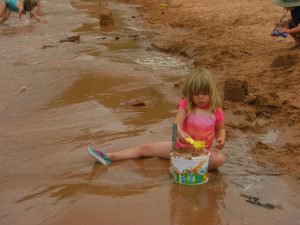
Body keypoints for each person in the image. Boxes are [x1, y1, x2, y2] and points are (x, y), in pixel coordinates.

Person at [88, 68, 226, 171]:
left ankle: (191, 166)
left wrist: (221, 139)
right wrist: (180, 133)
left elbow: (221, 129)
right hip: (179, 148)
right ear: (190, 94)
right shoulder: (186, 105)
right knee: (144, 148)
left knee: (219, 158)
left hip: (201, 152)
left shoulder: (216, 111)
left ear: (212, 92)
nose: (201, 97)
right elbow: (177, 123)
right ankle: (110, 157)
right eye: (196, 94)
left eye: (204, 94)